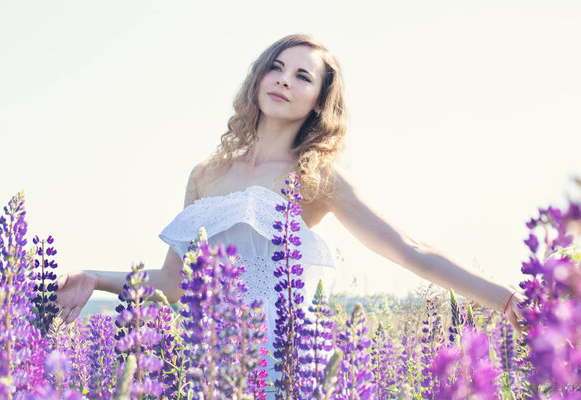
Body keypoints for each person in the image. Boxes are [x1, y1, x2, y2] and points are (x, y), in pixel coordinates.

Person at [54, 33, 527, 389]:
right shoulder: (204, 175)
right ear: (258, 77)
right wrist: (94, 276)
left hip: (289, 366)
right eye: (276, 68)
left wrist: (505, 298)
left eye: (303, 75)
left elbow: (409, 250)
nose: (283, 79)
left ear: (319, 100)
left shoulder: (318, 177)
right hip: (211, 366)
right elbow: (175, 284)